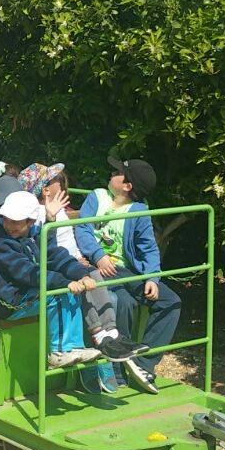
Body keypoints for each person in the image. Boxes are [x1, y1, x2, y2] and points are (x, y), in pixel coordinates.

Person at [22, 164, 148, 392]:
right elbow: (44, 249)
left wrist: (81, 258)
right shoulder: (38, 214)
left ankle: (110, 337)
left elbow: (68, 242)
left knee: (99, 280)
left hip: (70, 261)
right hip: (58, 266)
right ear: (45, 190)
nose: (62, 181)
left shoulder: (57, 209)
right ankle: (98, 349)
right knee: (92, 293)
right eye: (56, 179)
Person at [72, 157, 173, 394]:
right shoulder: (97, 197)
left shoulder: (138, 211)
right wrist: (98, 255)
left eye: (117, 172)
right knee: (123, 302)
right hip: (96, 269)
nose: (112, 173)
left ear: (127, 186)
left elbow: (148, 248)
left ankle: (143, 365)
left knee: (171, 301)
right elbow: (83, 228)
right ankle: (117, 368)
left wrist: (152, 278)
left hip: (125, 271)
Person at [0, 191, 102, 369]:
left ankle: (73, 347)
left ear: (31, 222)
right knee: (56, 294)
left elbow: (54, 256)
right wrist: (64, 282)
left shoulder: (33, 235)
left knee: (71, 292)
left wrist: (82, 274)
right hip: (11, 301)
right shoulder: (3, 242)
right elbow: (26, 272)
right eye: (6, 219)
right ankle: (58, 352)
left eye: (15, 221)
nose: (8, 225)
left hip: (28, 293)